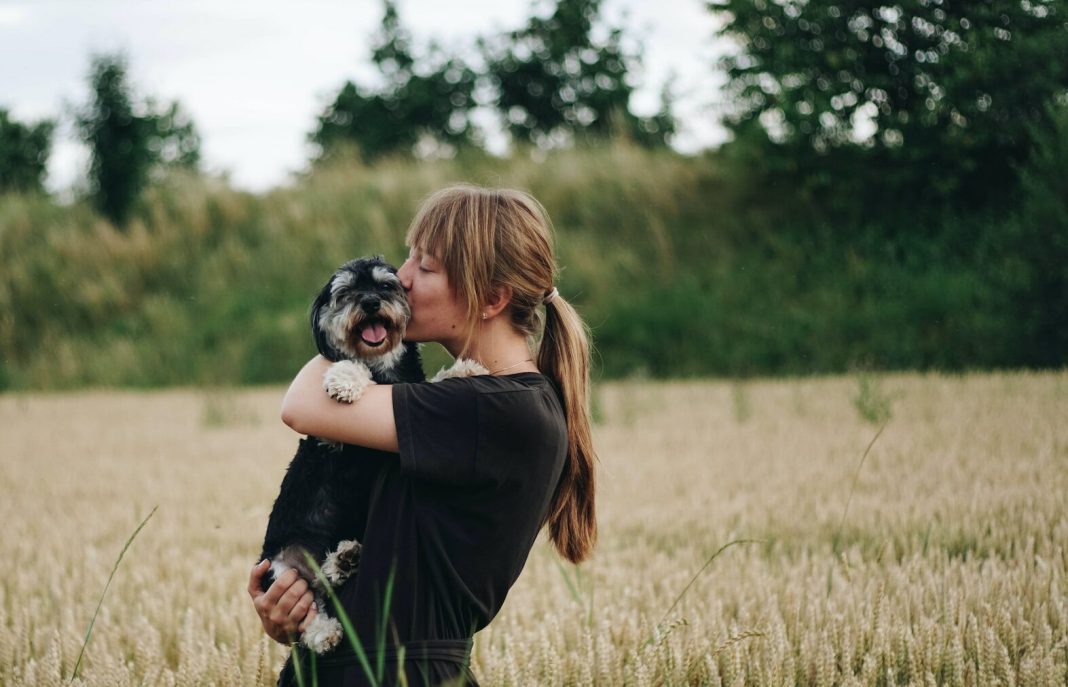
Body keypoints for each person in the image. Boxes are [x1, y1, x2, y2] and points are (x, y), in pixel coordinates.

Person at [247, 185, 598, 686]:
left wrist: (339, 326)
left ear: (492, 298)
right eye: (407, 260)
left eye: (425, 267)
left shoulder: (493, 408)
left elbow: (302, 403)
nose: (401, 280)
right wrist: (293, 607)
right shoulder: (480, 405)